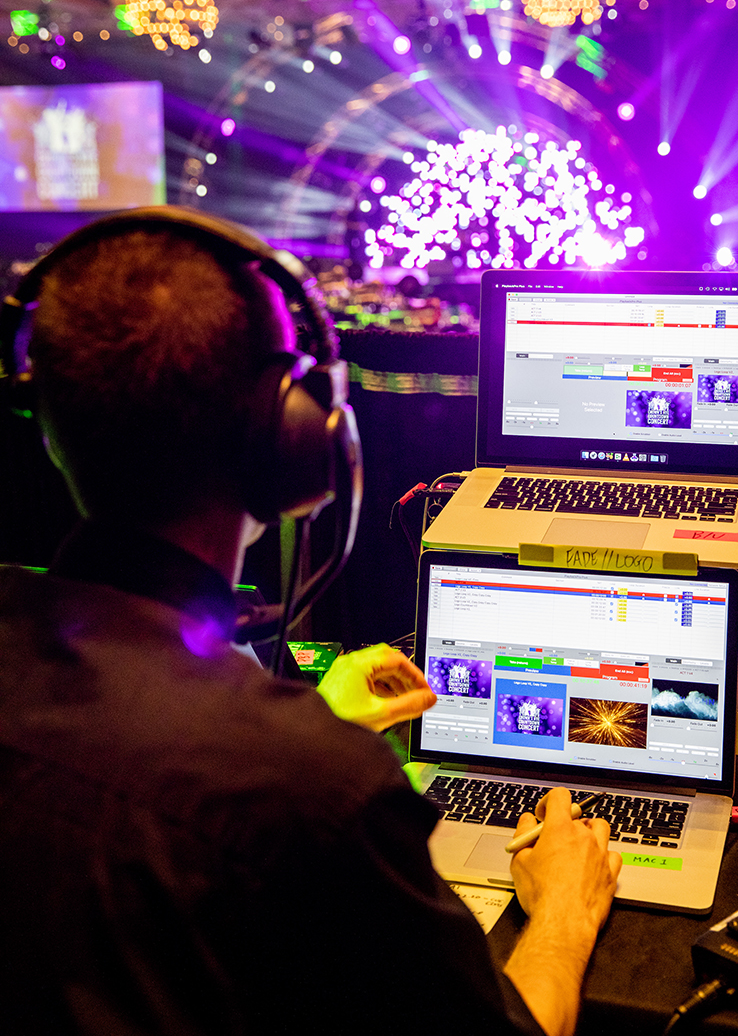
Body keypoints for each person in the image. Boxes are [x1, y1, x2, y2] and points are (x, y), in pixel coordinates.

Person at [0, 207, 620, 1036]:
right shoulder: (319, 788)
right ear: (295, 435)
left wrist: (302, 724)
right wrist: (565, 910)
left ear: (44, 423)